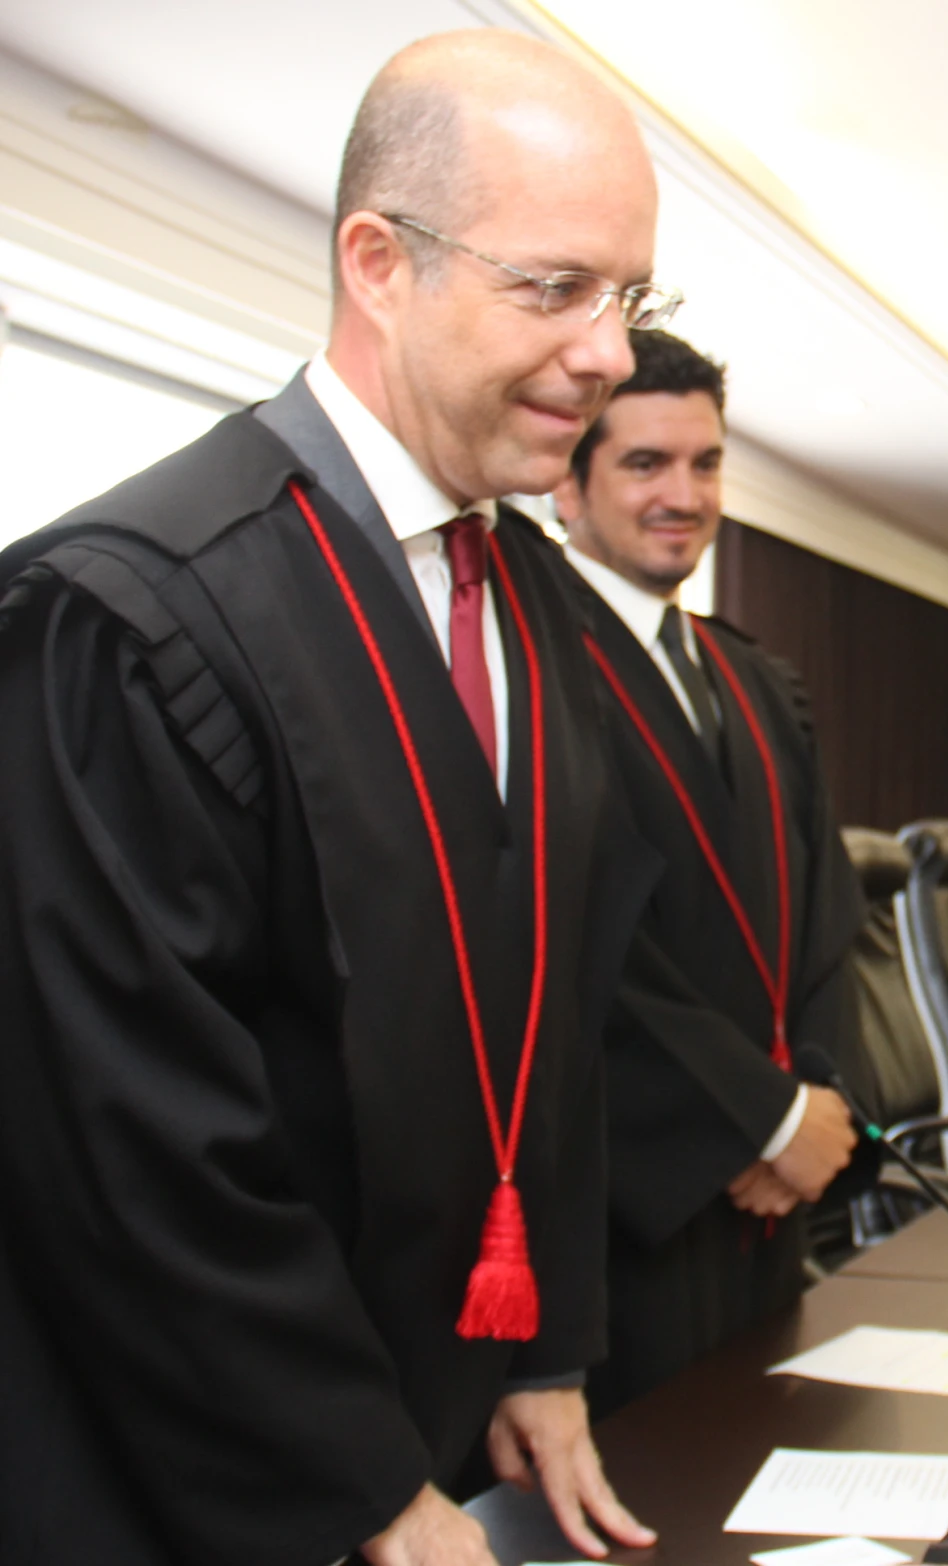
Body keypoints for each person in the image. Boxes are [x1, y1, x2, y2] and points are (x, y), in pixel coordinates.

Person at [0, 31, 678, 1566]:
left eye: (629, 297)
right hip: (209, 1476)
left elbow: (546, 1011)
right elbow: (131, 1140)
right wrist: (357, 1483)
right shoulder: (132, 614)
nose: (610, 352)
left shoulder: (535, 608)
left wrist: (545, 1347)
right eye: (554, 287)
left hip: (434, 1430)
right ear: (379, 263)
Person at [551, 329, 868, 1412]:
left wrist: (820, 1102)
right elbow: (580, 948)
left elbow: (829, 916)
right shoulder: (536, 667)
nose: (682, 493)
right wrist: (763, 1121)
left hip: (775, 1197)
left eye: (706, 462)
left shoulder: (752, 677)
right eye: (643, 464)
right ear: (566, 482)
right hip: (634, 1204)